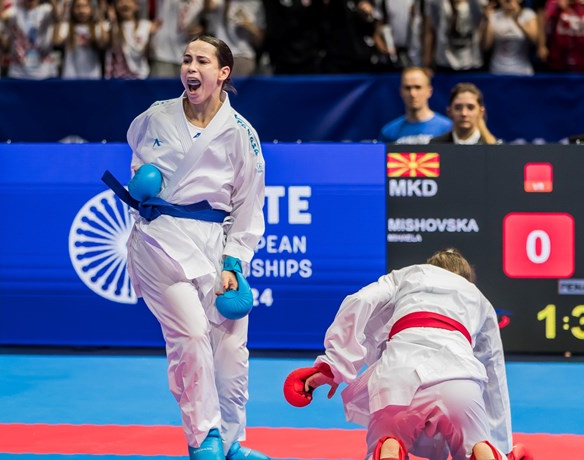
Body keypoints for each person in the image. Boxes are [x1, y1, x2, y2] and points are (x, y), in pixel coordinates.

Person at [115, 35, 269, 460]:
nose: (190, 67)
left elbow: (248, 204)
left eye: (202, 60)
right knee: (192, 334)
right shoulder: (155, 117)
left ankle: (234, 441)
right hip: (158, 239)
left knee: (231, 346)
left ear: (223, 73)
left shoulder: (241, 134)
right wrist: (141, 187)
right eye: (186, 59)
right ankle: (204, 438)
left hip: (211, 245)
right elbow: (136, 159)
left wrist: (234, 260)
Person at [284, 247, 530, 460]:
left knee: (387, 438)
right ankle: (482, 450)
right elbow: (493, 370)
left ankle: (390, 445)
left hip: (398, 378)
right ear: (466, 278)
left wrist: (333, 367)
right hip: (459, 381)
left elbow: (360, 300)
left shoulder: (408, 275)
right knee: (474, 445)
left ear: (431, 266)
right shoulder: (479, 299)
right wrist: (502, 446)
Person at [379, 67, 452, 144]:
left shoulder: (447, 128)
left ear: (429, 91)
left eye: (418, 87)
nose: (412, 94)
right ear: (401, 91)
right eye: (407, 88)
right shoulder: (389, 132)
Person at [430, 82, 497, 145]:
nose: (464, 113)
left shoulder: (494, 147)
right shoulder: (434, 145)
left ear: (481, 112)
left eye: (470, 108)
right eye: (458, 108)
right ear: (449, 111)